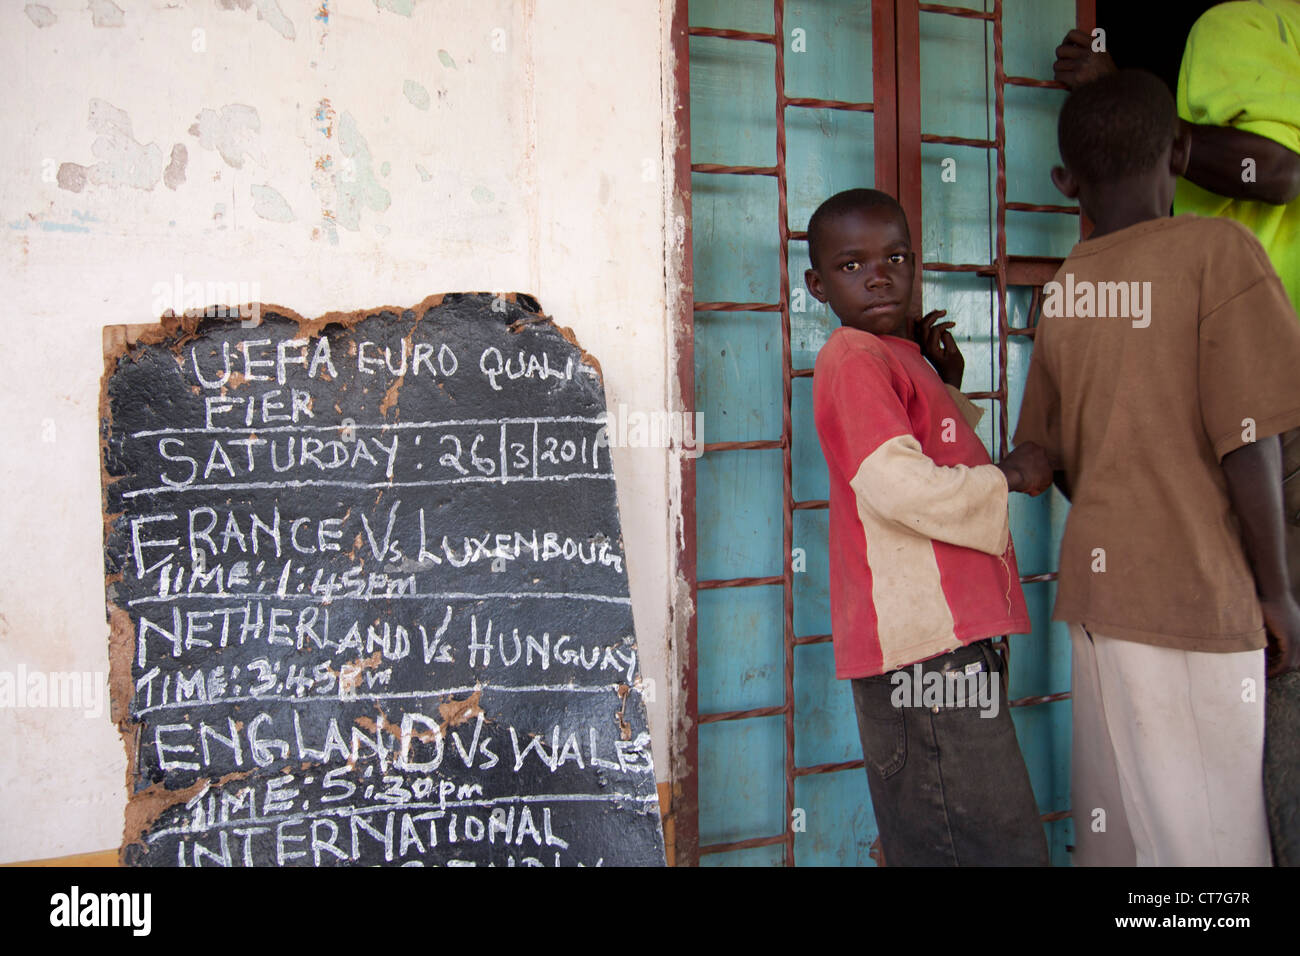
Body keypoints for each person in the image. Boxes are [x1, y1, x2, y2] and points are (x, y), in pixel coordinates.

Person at [1013, 69, 1300, 866]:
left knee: (1129, 838)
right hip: (1196, 601)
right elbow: (1250, 438)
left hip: (1101, 600)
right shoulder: (1220, 250)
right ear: (1177, 151)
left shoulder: (1069, 288)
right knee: (1213, 849)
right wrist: (1275, 590)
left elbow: (1052, 459)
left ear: (1067, 183)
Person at [808, 187, 1053, 866]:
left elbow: (931, 448)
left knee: (957, 839)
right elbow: (897, 484)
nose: (878, 274)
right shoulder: (855, 356)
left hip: (944, 646)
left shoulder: (895, 355)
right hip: (925, 653)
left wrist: (943, 381)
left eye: (895, 257)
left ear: (916, 266)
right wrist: (1007, 477)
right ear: (816, 283)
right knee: (984, 846)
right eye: (851, 265)